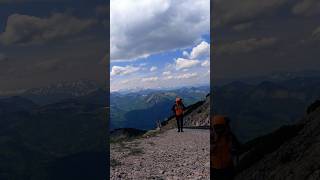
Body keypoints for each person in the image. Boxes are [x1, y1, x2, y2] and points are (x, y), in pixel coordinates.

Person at [211, 115, 241, 180]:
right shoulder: (212, 137)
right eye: (217, 127)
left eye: (220, 127)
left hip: (225, 168)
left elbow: (238, 147)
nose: (219, 130)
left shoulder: (229, 136)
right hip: (218, 168)